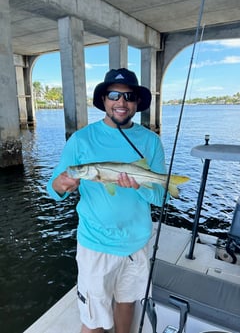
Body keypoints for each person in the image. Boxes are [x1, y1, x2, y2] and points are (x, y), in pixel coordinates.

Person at [47, 68, 168, 333]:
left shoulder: (151, 141)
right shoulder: (80, 140)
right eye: (114, 95)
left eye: (129, 96)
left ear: (137, 103)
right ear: (104, 99)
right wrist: (62, 184)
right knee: (94, 320)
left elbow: (160, 197)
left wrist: (138, 186)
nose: (121, 102)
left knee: (127, 302)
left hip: (136, 244)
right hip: (96, 246)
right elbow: (53, 187)